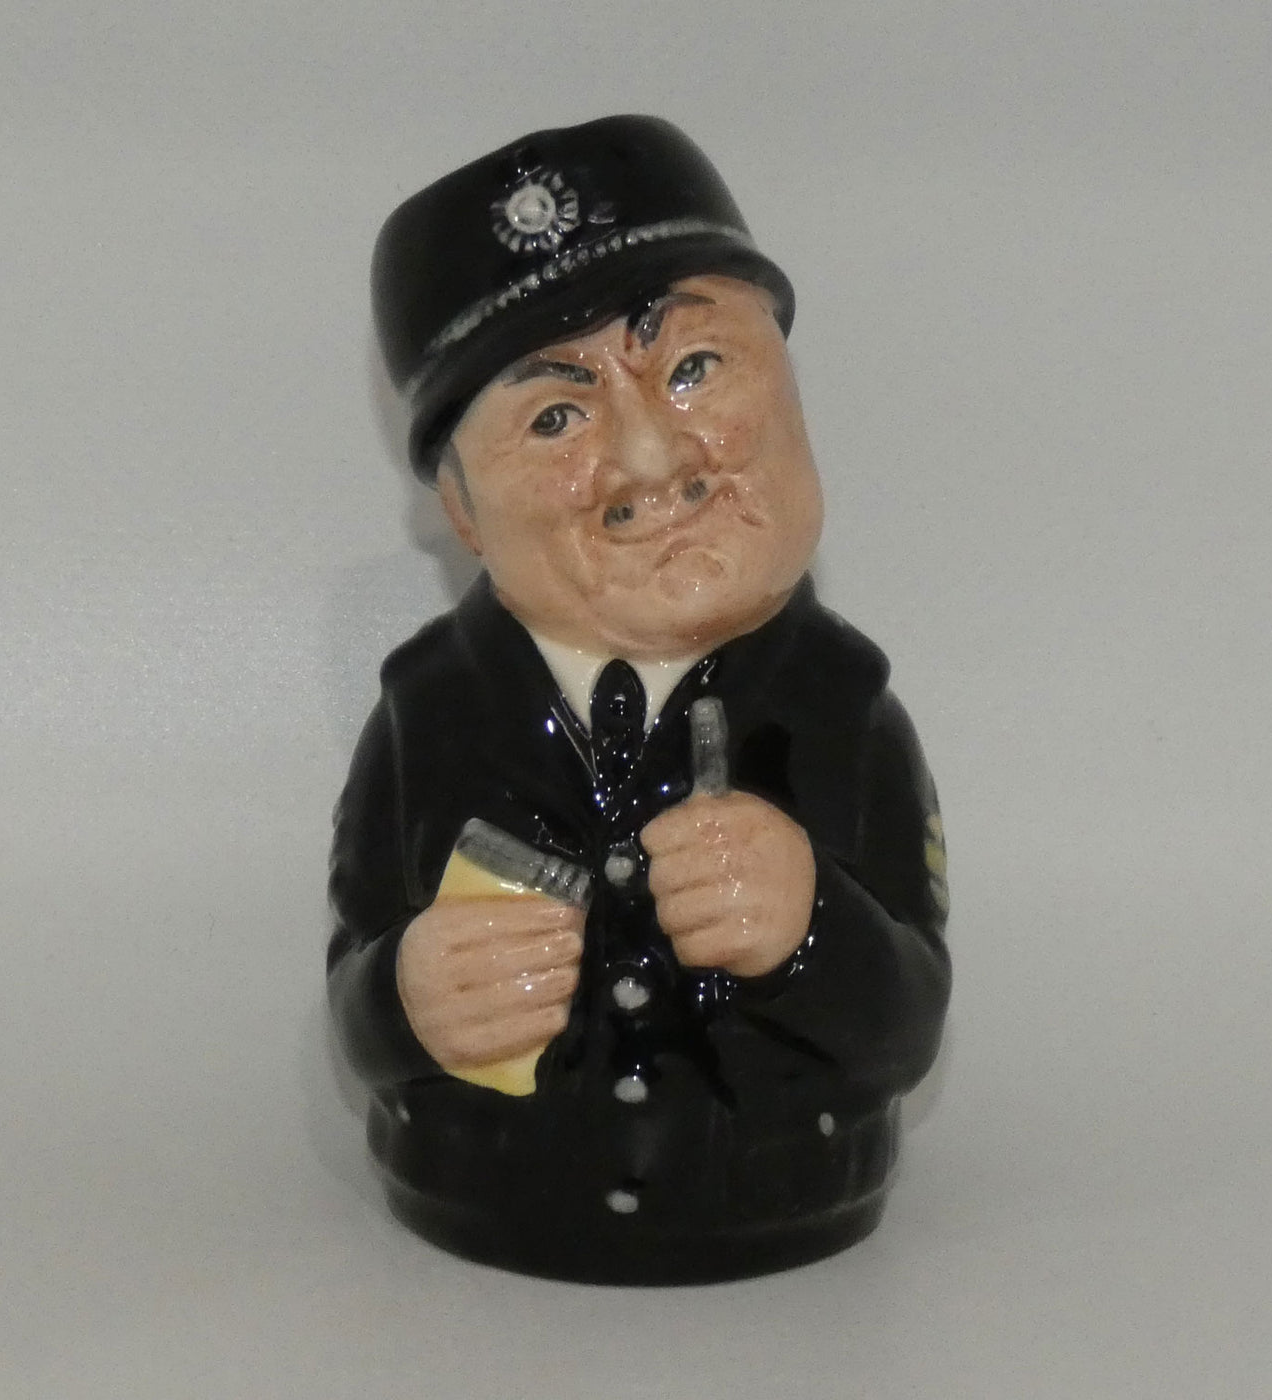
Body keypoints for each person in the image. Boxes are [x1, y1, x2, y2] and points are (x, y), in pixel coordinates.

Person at [327, 115, 950, 1283]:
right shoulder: (428, 716)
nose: (653, 457)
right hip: (479, 1195)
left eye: (693, 367)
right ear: (462, 511)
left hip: (786, 1192)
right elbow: (353, 969)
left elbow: (910, 1019)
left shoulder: (842, 708)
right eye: (553, 416)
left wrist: (813, 927)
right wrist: (403, 998)